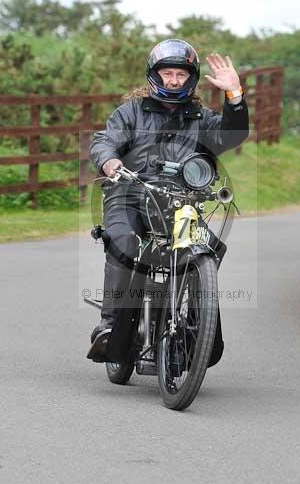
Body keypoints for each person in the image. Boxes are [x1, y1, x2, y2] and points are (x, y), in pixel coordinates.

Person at [87, 38, 249, 361]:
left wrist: (235, 96)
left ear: (191, 78)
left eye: (180, 74)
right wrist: (110, 161)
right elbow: (104, 140)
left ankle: (194, 328)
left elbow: (233, 135)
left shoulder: (202, 119)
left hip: (181, 201)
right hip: (129, 195)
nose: (174, 80)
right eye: (167, 73)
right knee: (122, 241)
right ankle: (108, 326)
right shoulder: (131, 112)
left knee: (210, 246)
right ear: (154, 75)